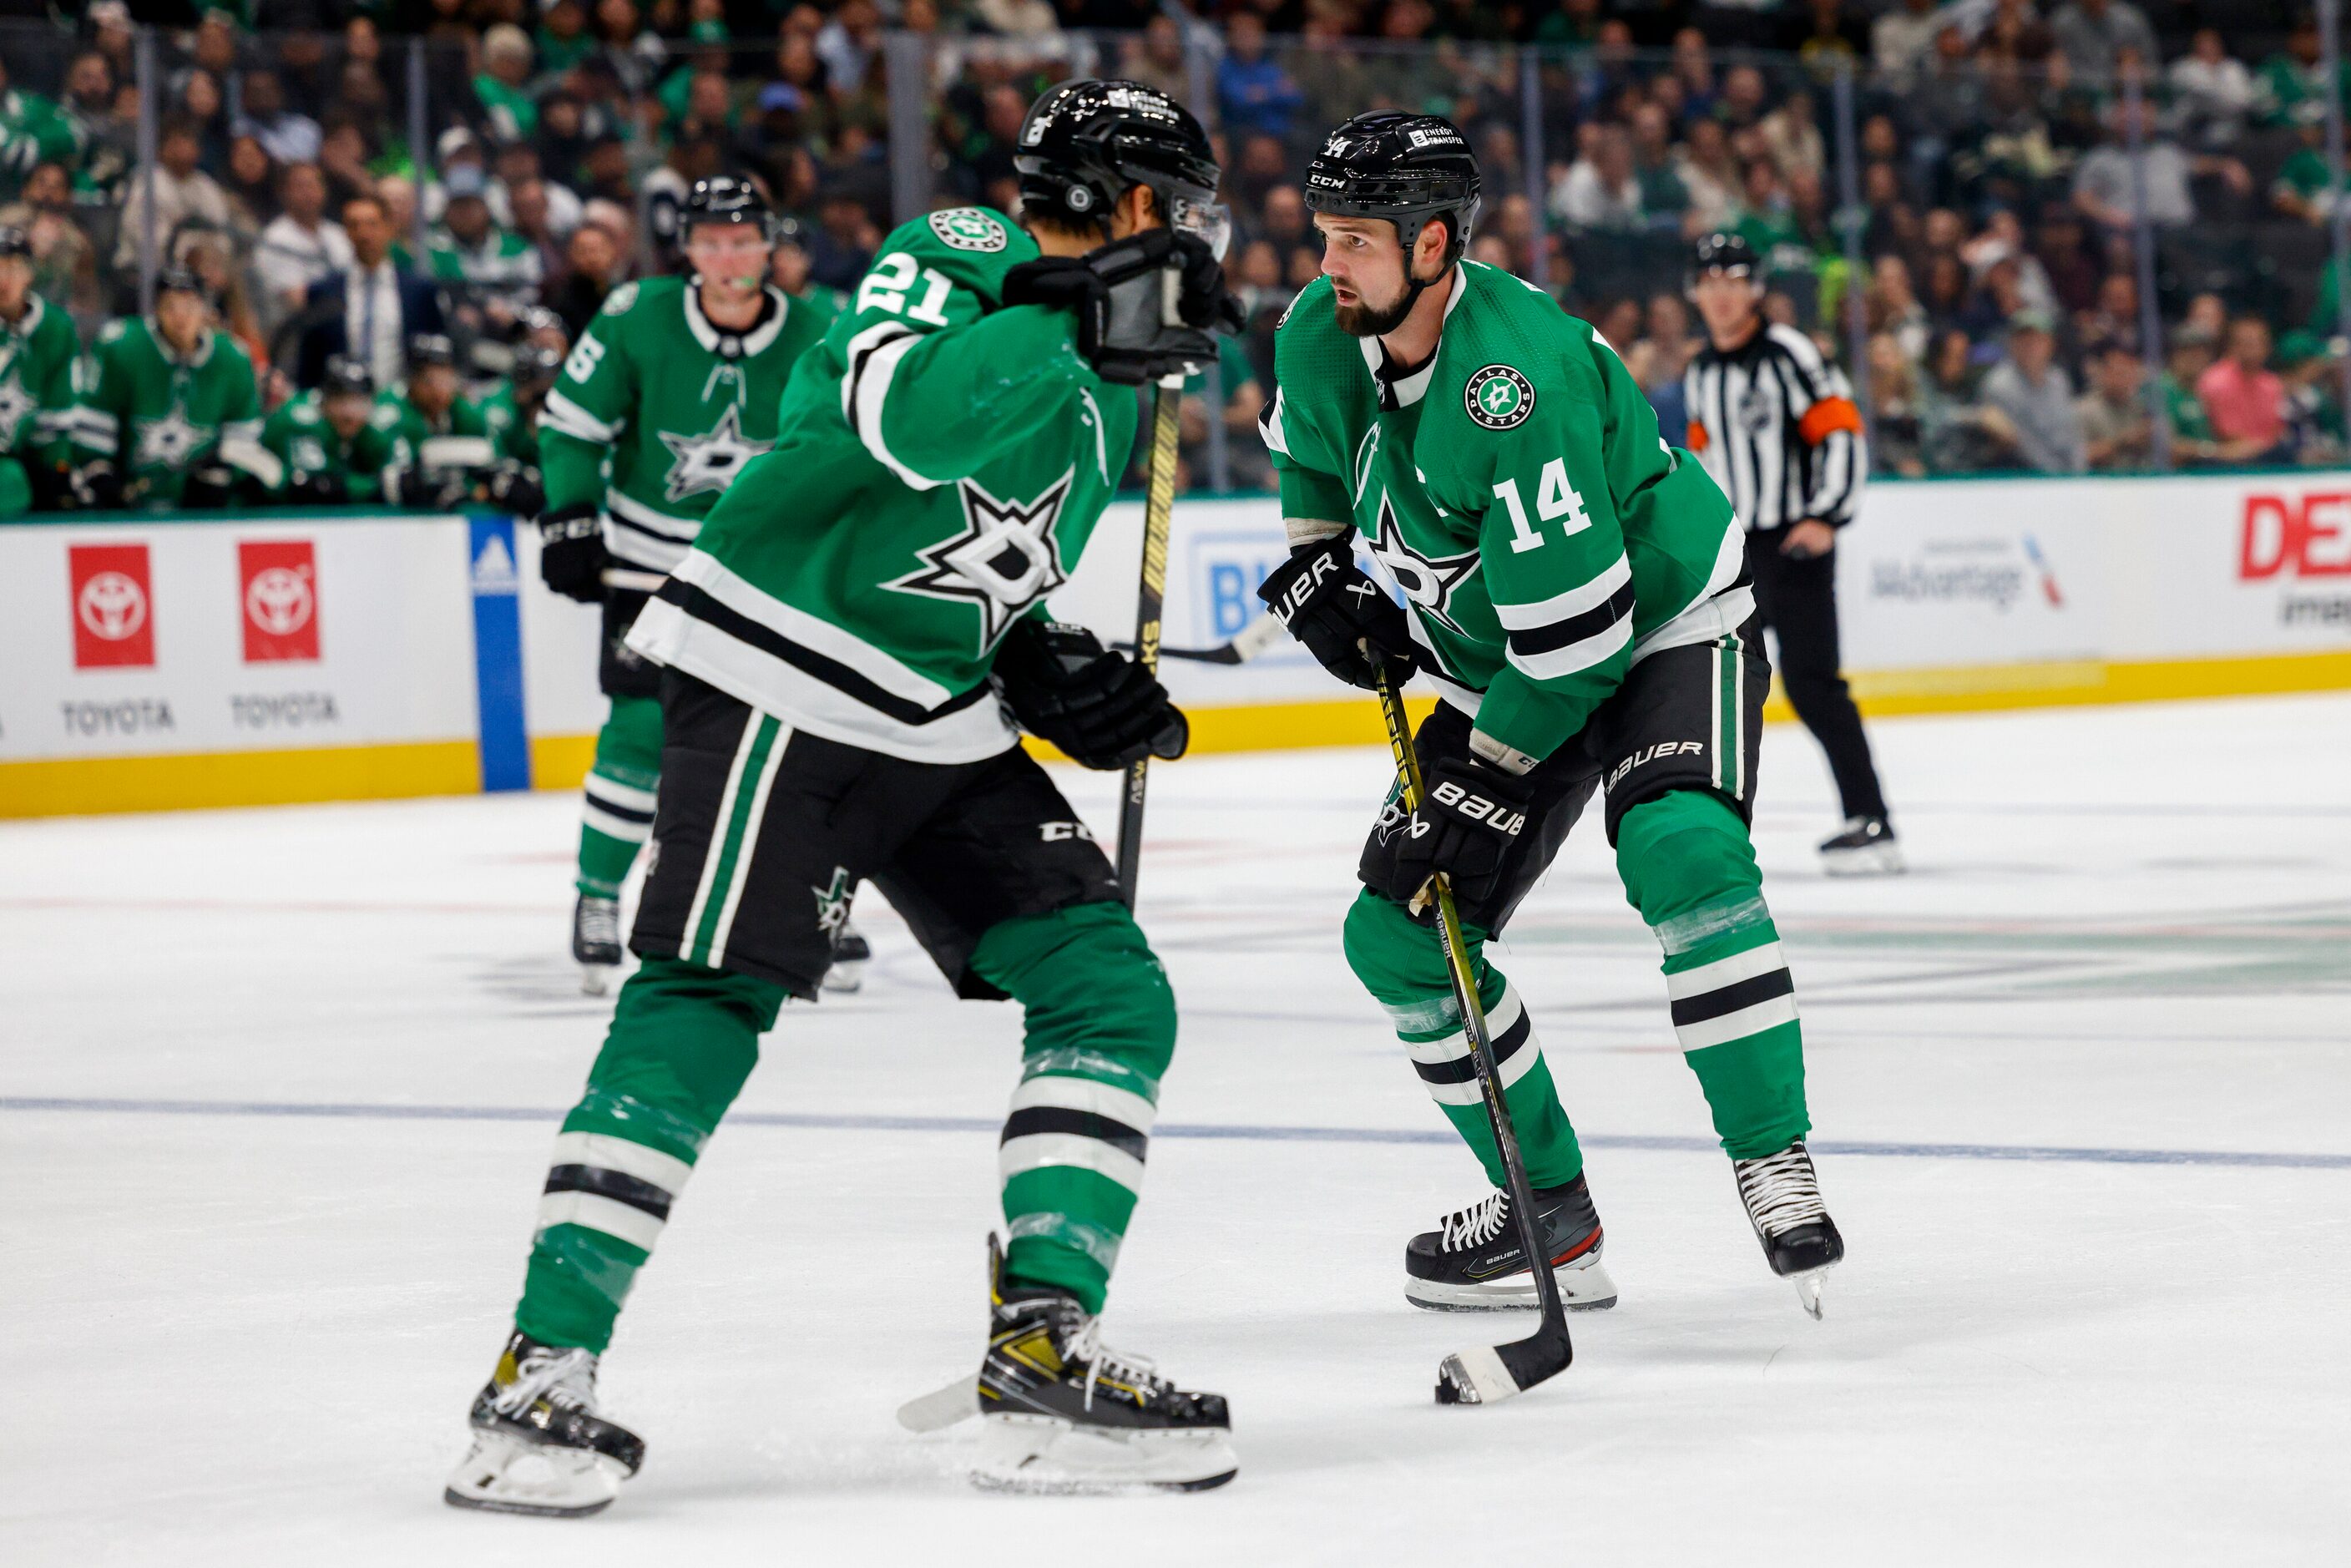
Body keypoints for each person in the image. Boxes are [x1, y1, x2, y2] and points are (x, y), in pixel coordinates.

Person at [445, 82, 1241, 1512]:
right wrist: (1073, 302)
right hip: (779, 666)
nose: (1190, 238)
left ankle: (1042, 1338)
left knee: (1111, 988)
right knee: (705, 995)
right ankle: (534, 1375)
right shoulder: (958, 246)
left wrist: (1055, 671)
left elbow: (983, 576)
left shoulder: (1113, 385)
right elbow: (911, 429)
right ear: (1123, 203)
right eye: (1172, 209)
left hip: (930, 718)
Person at [1255, 113, 1844, 1326]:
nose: (1327, 264)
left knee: (1684, 848)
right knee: (1399, 937)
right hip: (1503, 656)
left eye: (1354, 240)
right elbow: (1310, 460)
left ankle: (1773, 1159)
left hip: (1663, 623)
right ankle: (1551, 1218)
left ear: (1433, 246)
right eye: (1324, 236)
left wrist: (1479, 784)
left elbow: (1579, 648)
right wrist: (1317, 565)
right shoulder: (1321, 329)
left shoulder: (1510, 384)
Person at [529, 177, 839, 994]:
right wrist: (567, 515)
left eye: (742, 241)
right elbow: (569, 424)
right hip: (649, 561)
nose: (727, 258)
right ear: (687, 250)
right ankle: (597, 896)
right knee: (638, 729)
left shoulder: (820, 330)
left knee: (807, 736)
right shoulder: (637, 314)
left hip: (771, 570)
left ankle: (809, 906)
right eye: (710, 242)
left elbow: (861, 445)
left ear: (769, 247)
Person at [1682, 232, 1899, 873]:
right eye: (1710, 282)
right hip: (1738, 552)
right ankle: (1708, 821)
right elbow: (1705, 461)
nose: (1721, 295)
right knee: (1714, 684)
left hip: (1797, 543)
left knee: (1812, 685)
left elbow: (1841, 432)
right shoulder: (1701, 372)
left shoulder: (1788, 353)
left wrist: (1826, 515)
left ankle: (1871, 818)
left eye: (1733, 280)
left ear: (1755, 289)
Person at [67, 265, 263, 509]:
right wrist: (101, 474)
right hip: (132, 500)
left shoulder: (233, 358)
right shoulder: (122, 347)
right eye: (170, 306)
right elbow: (94, 428)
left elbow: (244, 439)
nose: (180, 316)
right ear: (156, 309)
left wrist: (222, 473)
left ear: (205, 309)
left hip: (201, 508)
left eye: (189, 306)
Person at [295, 194, 447, 390]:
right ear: (346, 232)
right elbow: (310, 360)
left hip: (401, 403)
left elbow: (435, 356)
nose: (364, 234)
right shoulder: (324, 291)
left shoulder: (418, 291)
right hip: (341, 405)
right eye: (354, 225)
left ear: (389, 228)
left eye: (372, 224)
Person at [0, 225, 79, 514]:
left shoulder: (55, 329)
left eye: (12, 267)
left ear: (30, 273)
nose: (3, 279)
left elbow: (56, 417)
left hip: (15, 463)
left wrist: (56, 472)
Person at [260, 353, 400, 505]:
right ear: (324, 399)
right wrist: (375, 487)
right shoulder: (300, 420)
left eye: (360, 403)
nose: (350, 413)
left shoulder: (375, 425)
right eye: (341, 401)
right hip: (259, 511)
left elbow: (394, 472)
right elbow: (318, 488)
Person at [1980, 309, 2088, 473]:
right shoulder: (2000, 386)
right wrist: (2058, 478)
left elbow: (2072, 434)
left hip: (2066, 478)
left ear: (2051, 344)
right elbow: (2024, 444)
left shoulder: (2058, 379)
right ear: (2012, 344)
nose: (2031, 346)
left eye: (2038, 339)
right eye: (2024, 339)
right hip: (2024, 478)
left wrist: (2079, 474)